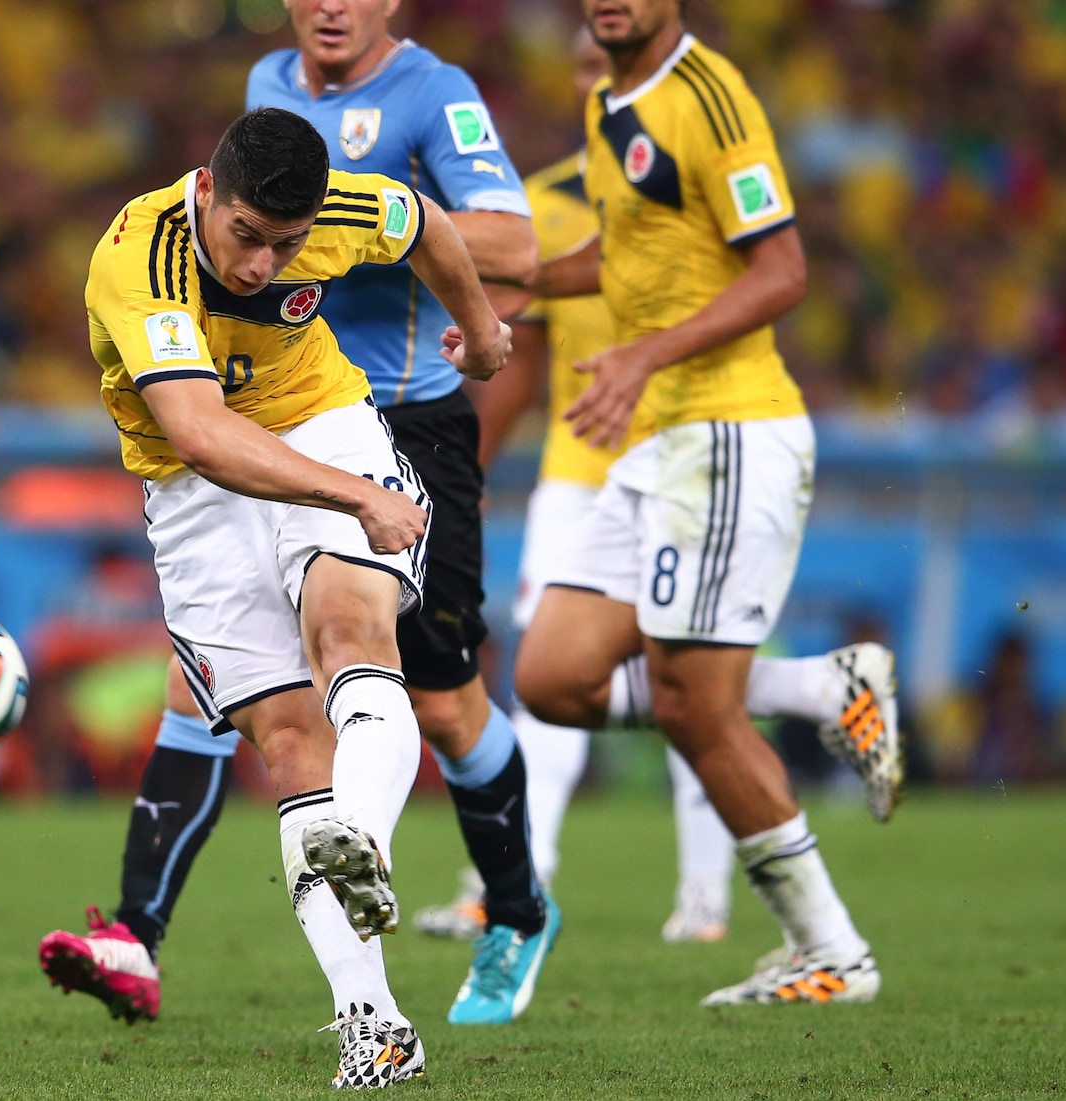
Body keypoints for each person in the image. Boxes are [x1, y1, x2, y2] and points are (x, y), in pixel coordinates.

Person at [40, 0, 559, 1030]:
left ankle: (500, 903)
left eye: (280, 247)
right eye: (241, 237)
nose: (255, 268)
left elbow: (434, 226)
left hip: (357, 419)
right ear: (204, 192)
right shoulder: (143, 246)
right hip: (212, 473)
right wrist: (360, 497)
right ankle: (360, 1014)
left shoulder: (415, 115)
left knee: (417, 681)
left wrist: (485, 335)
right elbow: (194, 435)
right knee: (274, 730)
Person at [424, 27, 903, 950]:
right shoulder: (615, 112)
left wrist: (641, 354)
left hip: (722, 426)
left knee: (695, 703)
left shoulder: (710, 99)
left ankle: (819, 943)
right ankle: (817, 687)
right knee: (554, 675)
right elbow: (626, 258)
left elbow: (784, 269)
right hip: (647, 446)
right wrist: (523, 296)